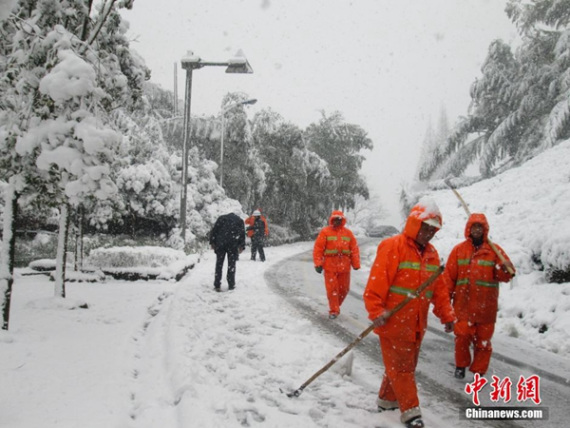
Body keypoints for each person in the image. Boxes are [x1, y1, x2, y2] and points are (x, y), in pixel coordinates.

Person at [363, 200, 455, 428]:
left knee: (402, 367)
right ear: (414, 224)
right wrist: (376, 310)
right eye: (425, 227)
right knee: (403, 369)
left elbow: (440, 291)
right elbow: (376, 283)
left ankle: (387, 400)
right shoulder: (393, 246)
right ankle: (411, 412)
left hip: (416, 325)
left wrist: (447, 316)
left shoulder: (432, 255)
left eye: (432, 230)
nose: (428, 233)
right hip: (393, 322)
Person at [444, 213, 515, 380]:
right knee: (462, 337)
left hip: (486, 308)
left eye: (480, 227)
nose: (477, 230)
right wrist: (446, 302)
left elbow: (505, 276)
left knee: (483, 342)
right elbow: (448, 278)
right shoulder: (459, 251)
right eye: (474, 226)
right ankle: (461, 366)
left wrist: (505, 268)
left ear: (485, 230)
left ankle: (479, 372)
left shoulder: (494, 251)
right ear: (468, 229)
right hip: (463, 307)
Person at [313, 210, 360, 319]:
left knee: (344, 289)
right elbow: (318, 249)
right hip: (330, 265)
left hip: (345, 266)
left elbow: (354, 249)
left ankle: (335, 305)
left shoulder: (348, 233)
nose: (337, 221)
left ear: (342, 220)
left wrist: (356, 263)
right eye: (335, 219)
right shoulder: (325, 232)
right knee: (332, 289)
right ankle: (334, 310)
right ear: (331, 220)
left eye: (339, 219)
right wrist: (318, 263)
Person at [209, 212, 246, 292]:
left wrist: (212, 242)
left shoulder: (221, 218)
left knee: (219, 264)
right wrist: (241, 246)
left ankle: (217, 284)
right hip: (232, 245)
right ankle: (231, 284)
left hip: (220, 244)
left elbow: (214, 231)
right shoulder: (239, 221)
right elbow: (242, 234)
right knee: (231, 265)